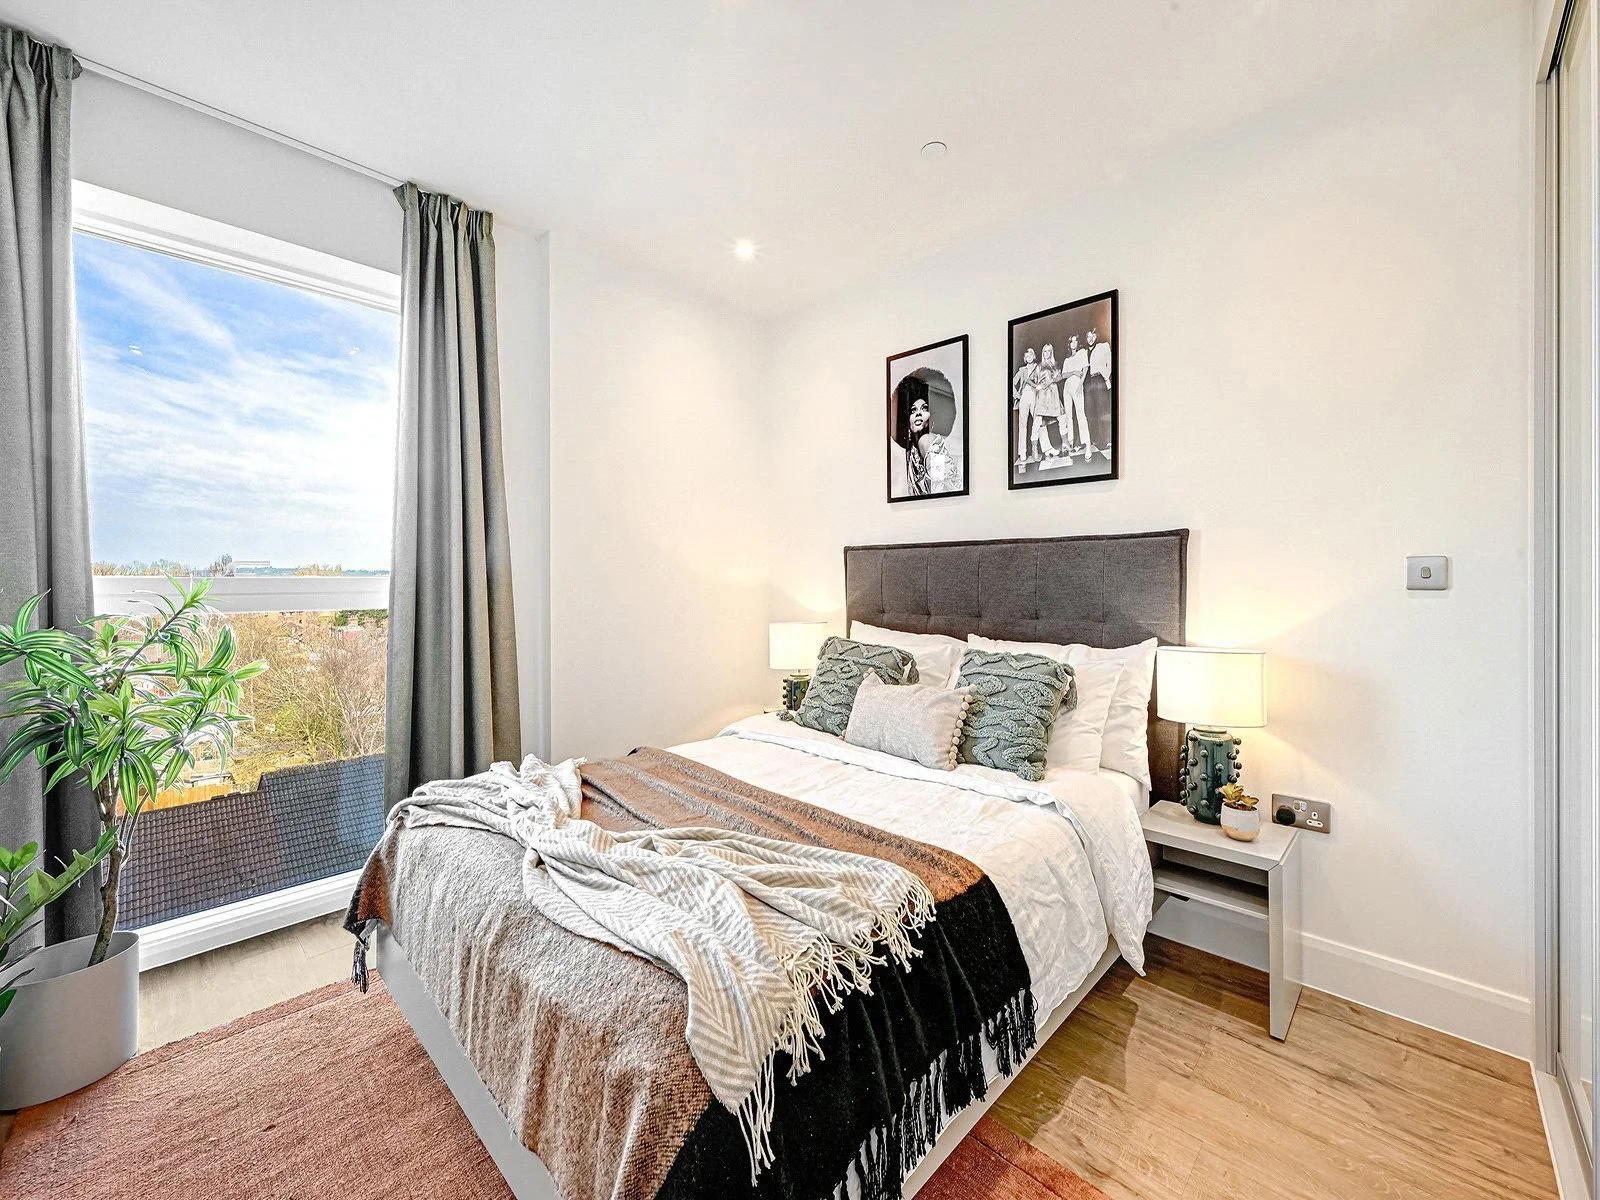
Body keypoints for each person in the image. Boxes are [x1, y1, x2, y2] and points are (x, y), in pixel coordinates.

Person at [893, 376, 960, 495]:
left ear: (932, 421)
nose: (918, 413)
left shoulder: (927, 441)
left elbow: (941, 489)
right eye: (913, 411)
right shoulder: (911, 451)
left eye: (924, 409)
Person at [1011, 347, 1042, 470]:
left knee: (1038, 421)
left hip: (1035, 395)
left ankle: (1038, 449)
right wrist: (1016, 395)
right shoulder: (1022, 370)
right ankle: (1022, 453)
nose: (1028, 357)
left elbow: (1041, 381)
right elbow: (1012, 382)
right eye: (1026, 356)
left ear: (1034, 356)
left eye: (1030, 355)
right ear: (1025, 358)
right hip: (1024, 397)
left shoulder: (1037, 367)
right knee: (1022, 425)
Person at [1032, 345, 1064, 462]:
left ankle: (1065, 444)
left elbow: (1060, 377)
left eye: (1049, 351)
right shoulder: (1039, 366)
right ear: (1042, 352)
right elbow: (1034, 382)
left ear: (1052, 352)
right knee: (1040, 421)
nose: (1046, 353)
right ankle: (1045, 449)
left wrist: (1052, 380)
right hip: (1043, 395)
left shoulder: (1055, 364)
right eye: (1044, 351)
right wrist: (1039, 387)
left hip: (1054, 394)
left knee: (1062, 418)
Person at [1061, 334, 1090, 460]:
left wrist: (1080, 385)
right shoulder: (1067, 359)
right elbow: (1063, 375)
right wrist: (1072, 372)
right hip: (1066, 388)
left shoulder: (1082, 352)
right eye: (1071, 341)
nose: (1073, 343)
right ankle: (1071, 443)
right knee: (1068, 416)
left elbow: (1085, 369)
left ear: (1078, 342)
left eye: (1075, 341)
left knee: (1081, 415)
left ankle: (1087, 444)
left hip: (1077, 386)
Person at [1086, 326, 1113, 461]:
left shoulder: (1103, 346)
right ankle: (1099, 439)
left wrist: (1106, 378)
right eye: (1088, 336)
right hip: (1090, 381)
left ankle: (1108, 439)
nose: (1090, 339)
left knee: (1103, 410)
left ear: (1097, 336)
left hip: (1100, 379)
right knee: (1094, 412)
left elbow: (1110, 363)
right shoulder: (1086, 351)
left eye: (1093, 336)